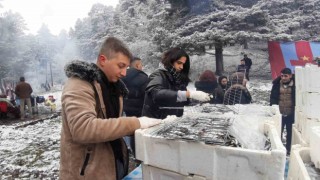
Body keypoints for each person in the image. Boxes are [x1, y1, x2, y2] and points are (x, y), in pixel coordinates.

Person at [59, 37, 161, 180]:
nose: (124, 73)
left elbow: (112, 123)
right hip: (87, 172)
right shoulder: (79, 84)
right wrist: (136, 123)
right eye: (121, 66)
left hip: (112, 164)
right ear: (102, 60)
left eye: (126, 67)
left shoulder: (114, 87)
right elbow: (83, 128)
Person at [142, 47, 210, 119]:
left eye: (183, 64)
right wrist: (189, 94)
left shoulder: (177, 78)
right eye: (179, 63)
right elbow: (156, 94)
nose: (181, 67)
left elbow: (180, 99)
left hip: (170, 120)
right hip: (155, 121)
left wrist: (197, 100)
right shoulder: (158, 75)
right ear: (170, 61)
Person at [121, 57, 148, 158]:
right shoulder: (143, 78)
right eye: (141, 64)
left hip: (127, 109)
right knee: (142, 132)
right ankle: (142, 155)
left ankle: (135, 153)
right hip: (141, 110)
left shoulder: (121, 76)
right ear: (137, 65)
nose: (142, 66)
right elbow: (148, 95)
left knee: (133, 131)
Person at [270, 68, 295, 155]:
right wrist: (273, 108)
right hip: (279, 114)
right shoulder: (276, 84)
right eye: (282, 76)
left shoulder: (295, 85)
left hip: (290, 114)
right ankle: (278, 150)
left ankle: (288, 150)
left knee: (290, 133)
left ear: (290, 76)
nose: (283, 78)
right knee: (277, 132)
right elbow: (273, 97)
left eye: (285, 76)